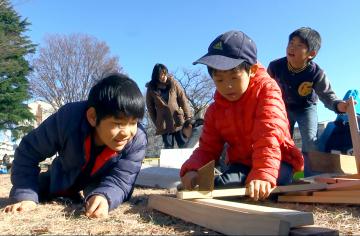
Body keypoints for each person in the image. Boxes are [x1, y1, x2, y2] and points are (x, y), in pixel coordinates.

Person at [180, 30, 304, 201]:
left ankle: (263, 179)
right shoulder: (215, 110)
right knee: (224, 188)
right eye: (220, 80)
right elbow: (208, 147)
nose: (228, 86)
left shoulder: (267, 91)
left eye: (234, 77)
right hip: (243, 163)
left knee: (272, 187)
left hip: (278, 159)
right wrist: (193, 169)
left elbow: (269, 135)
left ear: (252, 70)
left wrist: (262, 174)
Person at [3, 73, 147, 218]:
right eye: (118, 123)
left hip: (101, 182)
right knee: (41, 187)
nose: (127, 132)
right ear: (93, 117)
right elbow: (28, 151)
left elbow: (122, 179)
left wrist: (105, 196)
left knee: (102, 195)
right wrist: (25, 196)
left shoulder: (137, 140)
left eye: (133, 122)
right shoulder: (68, 119)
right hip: (60, 176)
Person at [267, 27, 348, 177]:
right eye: (291, 43)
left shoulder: (316, 73)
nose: (292, 47)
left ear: (311, 54)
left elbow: (327, 95)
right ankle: (281, 175)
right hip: (282, 108)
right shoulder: (275, 67)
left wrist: (339, 105)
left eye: (299, 45)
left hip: (306, 108)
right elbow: (265, 90)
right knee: (280, 139)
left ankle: (312, 177)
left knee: (310, 141)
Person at [146, 63, 192, 149]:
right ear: (156, 76)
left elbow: (183, 99)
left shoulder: (173, 82)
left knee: (184, 145)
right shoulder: (151, 88)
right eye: (161, 74)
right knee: (168, 148)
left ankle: (188, 163)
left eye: (165, 73)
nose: (164, 76)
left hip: (178, 120)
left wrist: (188, 117)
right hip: (164, 124)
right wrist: (157, 122)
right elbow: (150, 108)